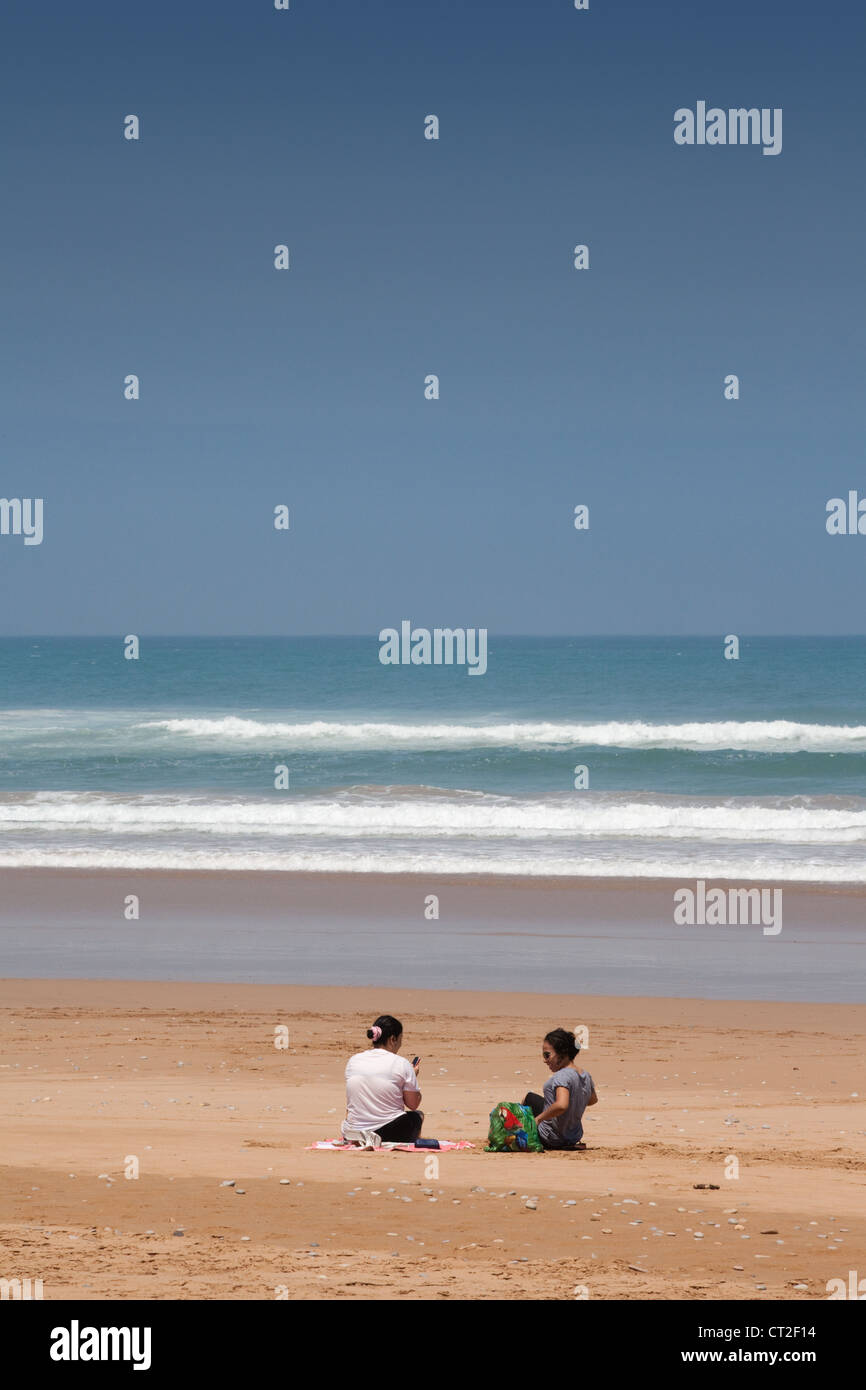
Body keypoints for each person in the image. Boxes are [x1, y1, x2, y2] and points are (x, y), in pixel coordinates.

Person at [343, 1014, 423, 1143]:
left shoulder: (354, 1060)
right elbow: (413, 1104)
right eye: (400, 1039)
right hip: (386, 1132)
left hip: (353, 1130)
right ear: (393, 1039)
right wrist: (413, 1076)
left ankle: (359, 1134)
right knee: (417, 1116)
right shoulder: (401, 1064)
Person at [523, 1028, 598, 1150]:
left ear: (562, 1054)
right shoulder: (585, 1075)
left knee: (528, 1099)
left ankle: (524, 1136)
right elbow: (592, 1100)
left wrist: (538, 1119)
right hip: (573, 1137)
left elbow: (561, 1105)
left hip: (551, 1138)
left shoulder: (562, 1075)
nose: (545, 1060)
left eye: (547, 1055)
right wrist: (575, 1100)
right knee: (533, 1099)